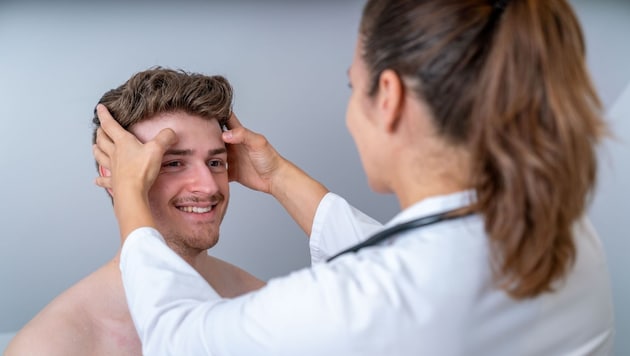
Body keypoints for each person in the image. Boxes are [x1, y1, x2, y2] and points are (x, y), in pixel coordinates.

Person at [93, 0, 615, 355]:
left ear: (388, 97)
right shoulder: (562, 234)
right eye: (171, 162)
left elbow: (178, 341)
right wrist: (277, 177)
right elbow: (409, 263)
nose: (208, 185)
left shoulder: (373, 300)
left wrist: (132, 198)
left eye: (352, 86)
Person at [5, 68, 264, 356]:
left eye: (216, 162)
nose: (207, 186)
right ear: (114, 176)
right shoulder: (51, 346)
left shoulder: (259, 301)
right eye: (173, 164)